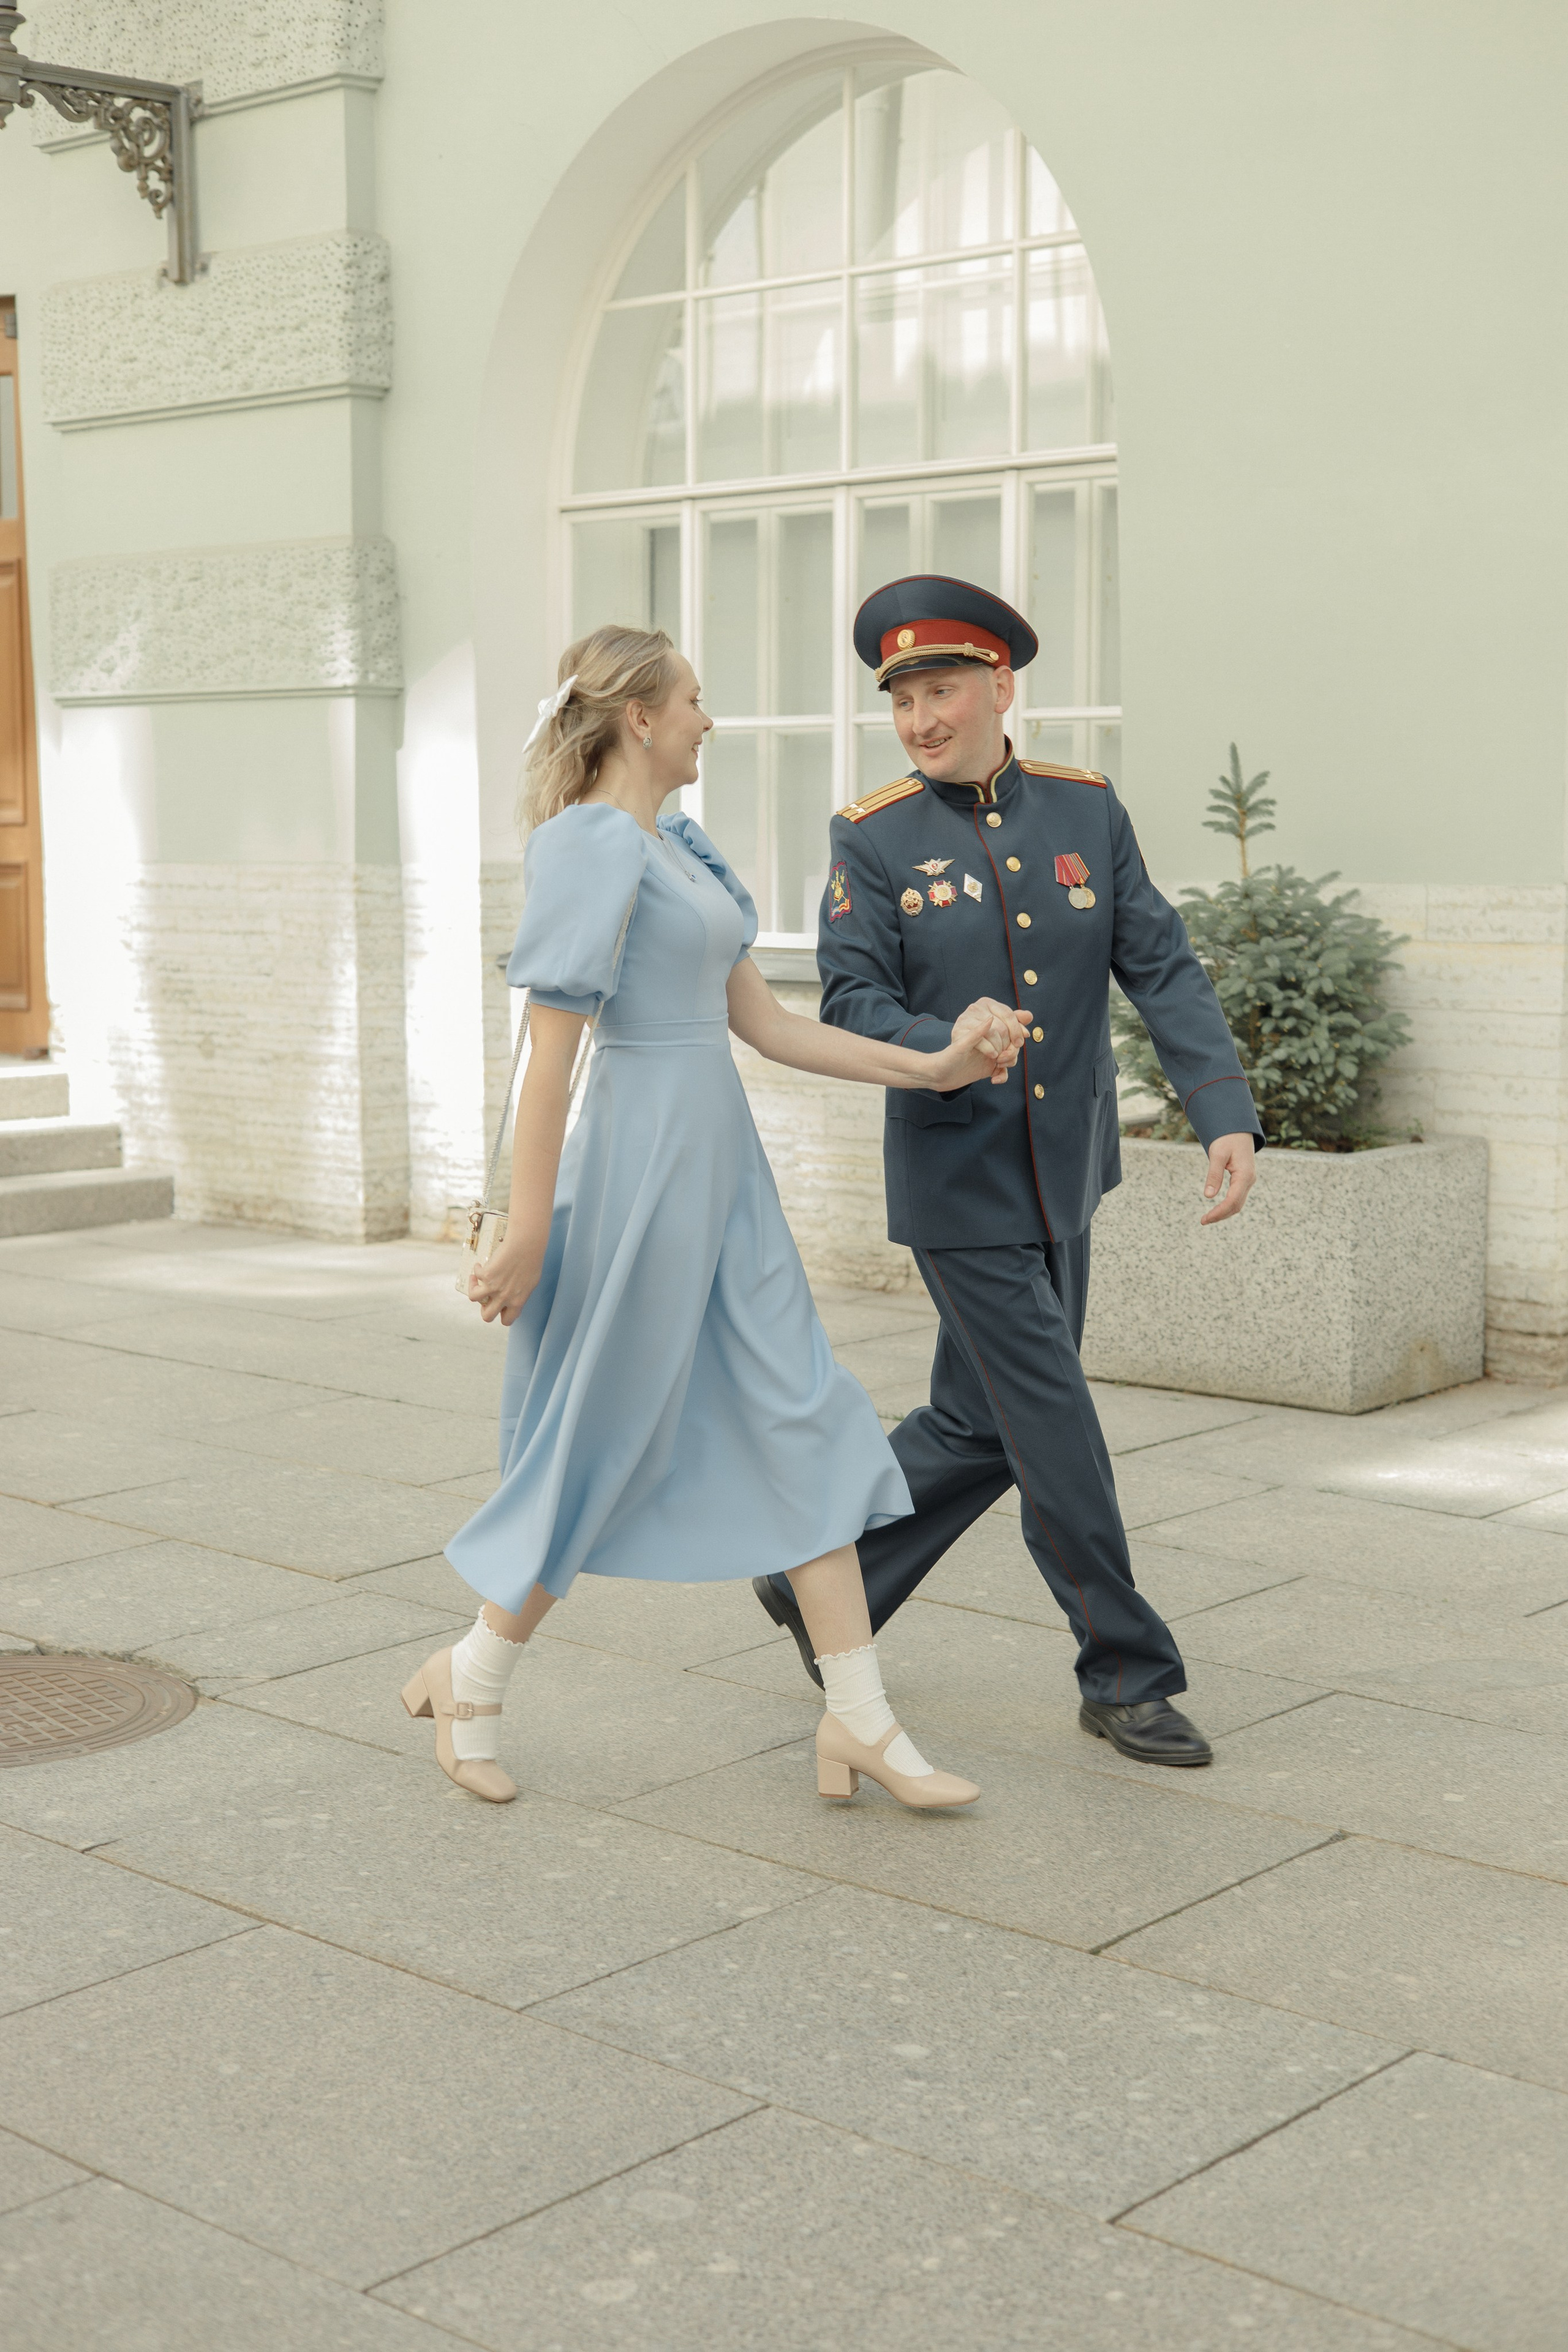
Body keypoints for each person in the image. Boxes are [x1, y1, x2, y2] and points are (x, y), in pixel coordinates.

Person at [401, 622, 1030, 1811]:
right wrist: (522, 1228)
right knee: (599, 1437)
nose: (707, 717)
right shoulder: (591, 845)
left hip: (721, 1174)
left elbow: (770, 1026)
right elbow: (549, 1058)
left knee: (803, 1420)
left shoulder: (678, 848)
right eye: (691, 698)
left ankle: (860, 1722)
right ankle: (471, 1676)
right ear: (638, 717)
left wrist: (936, 1066)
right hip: (636, 1173)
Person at [752, 576, 1264, 1768]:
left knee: (975, 1422)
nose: (920, 719)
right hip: (956, 1177)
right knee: (1052, 1422)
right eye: (903, 700)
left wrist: (1219, 1109)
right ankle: (1123, 1671)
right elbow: (848, 996)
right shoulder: (870, 839)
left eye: (940, 691)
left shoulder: (1085, 813)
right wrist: (940, 1044)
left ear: (999, 686)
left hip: (1064, 1170)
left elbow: (1160, 963)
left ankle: (816, 1574)